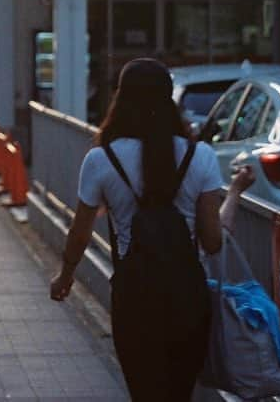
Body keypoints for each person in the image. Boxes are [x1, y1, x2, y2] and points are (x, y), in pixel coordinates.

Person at [49, 58, 255, 401]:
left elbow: (80, 232)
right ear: (168, 99)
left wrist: (66, 275)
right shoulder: (199, 156)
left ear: (120, 99)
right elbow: (213, 241)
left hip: (134, 299)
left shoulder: (101, 160)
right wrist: (233, 192)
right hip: (188, 299)